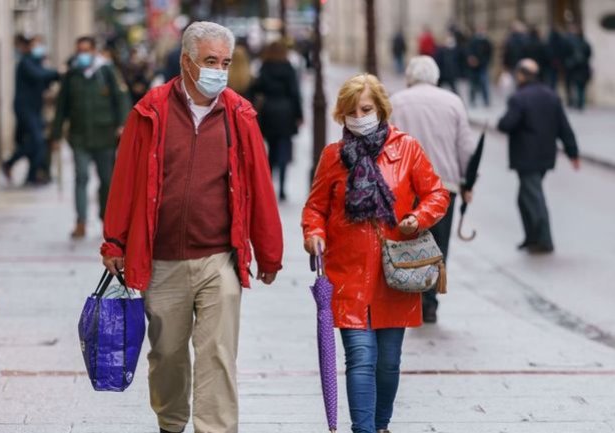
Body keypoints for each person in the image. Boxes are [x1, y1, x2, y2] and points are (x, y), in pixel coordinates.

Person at [100, 21, 283, 433]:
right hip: (162, 258)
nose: (219, 69)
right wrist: (114, 241)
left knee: (218, 352)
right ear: (186, 61)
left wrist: (269, 252)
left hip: (219, 257)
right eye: (210, 61)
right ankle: (171, 421)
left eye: (225, 62)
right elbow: (125, 180)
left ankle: (214, 428)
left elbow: (259, 185)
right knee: (167, 355)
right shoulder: (150, 110)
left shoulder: (239, 114)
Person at [302, 73, 449, 433]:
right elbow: (315, 208)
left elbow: (437, 194)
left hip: (394, 272)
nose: (359, 116)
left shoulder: (407, 149)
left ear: (380, 109)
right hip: (347, 273)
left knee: (388, 363)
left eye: (365, 108)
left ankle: (381, 424)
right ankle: (363, 430)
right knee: (361, 358)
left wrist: (418, 217)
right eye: (351, 110)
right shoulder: (333, 156)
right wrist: (314, 234)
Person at [390, 56, 475, 323]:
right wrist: (466, 183)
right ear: (436, 76)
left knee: (408, 240)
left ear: (410, 76)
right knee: (438, 244)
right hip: (443, 184)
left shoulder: (397, 101)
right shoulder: (453, 102)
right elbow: (466, 148)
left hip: (405, 184)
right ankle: (429, 301)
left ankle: (411, 296)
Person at [50, 36, 131, 239]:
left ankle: (106, 220)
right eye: (79, 51)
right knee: (81, 177)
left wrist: (123, 125)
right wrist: (56, 134)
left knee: (106, 181)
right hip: (79, 136)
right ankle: (81, 222)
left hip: (105, 135)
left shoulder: (106, 71)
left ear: (94, 51)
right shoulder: (72, 75)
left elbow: (121, 99)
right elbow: (62, 106)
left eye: (86, 50)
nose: (82, 55)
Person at [498, 59, 580, 254]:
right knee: (524, 197)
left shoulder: (519, 98)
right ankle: (531, 237)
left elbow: (506, 124)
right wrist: (572, 152)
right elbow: (564, 127)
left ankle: (544, 239)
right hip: (545, 156)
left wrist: (502, 121)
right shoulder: (551, 95)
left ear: (521, 75)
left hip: (527, 157)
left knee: (533, 197)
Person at [3, 35, 60, 185]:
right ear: (29, 47)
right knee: (37, 141)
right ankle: (11, 163)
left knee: (36, 143)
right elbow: (39, 75)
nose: (38, 48)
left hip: (35, 109)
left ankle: (32, 175)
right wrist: (58, 72)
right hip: (24, 108)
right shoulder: (26, 62)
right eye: (35, 45)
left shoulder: (38, 63)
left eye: (40, 45)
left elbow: (46, 79)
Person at [250, 40, 303, 201]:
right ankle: (282, 188)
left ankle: (269, 185)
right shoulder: (289, 68)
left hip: (269, 111)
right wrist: (299, 114)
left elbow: (256, 88)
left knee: (271, 148)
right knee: (284, 148)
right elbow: (295, 93)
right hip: (286, 111)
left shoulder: (265, 67)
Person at [564, 24, 592, 110]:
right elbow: (589, 54)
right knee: (581, 87)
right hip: (583, 68)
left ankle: (579, 103)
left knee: (578, 86)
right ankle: (580, 103)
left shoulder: (573, 44)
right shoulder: (585, 43)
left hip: (576, 68)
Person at [466, 26, 492, 106]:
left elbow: (489, 55)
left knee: (484, 84)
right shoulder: (472, 41)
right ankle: (472, 100)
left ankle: (486, 101)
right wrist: (471, 59)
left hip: (482, 66)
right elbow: (468, 52)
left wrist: (480, 62)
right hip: (473, 67)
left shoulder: (487, 42)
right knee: (473, 85)